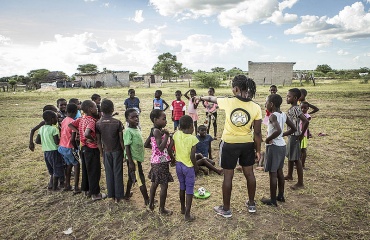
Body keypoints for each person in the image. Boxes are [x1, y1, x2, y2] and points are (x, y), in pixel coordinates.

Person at [197, 75, 262, 217]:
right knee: (249, 174)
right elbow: (257, 132)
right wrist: (258, 151)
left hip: (229, 144)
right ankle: (251, 204)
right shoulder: (256, 107)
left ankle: (226, 209)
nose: (232, 90)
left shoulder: (228, 101)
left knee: (228, 176)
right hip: (247, 144)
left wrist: (201, 97)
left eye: (233, 87)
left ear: (236, 89)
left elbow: (212, 99)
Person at [261, 94, 296, 206]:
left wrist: (268, 139)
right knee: (279, 171)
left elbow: (278, 130)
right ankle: (280, 195)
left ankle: (272, 200)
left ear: (271, 104)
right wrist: (281, 136)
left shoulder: (272, 116)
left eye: (266, 102)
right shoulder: (283, 115)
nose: (265, 104)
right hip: (282, 146)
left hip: (274, 147)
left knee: (273, 173)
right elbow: (293, 128)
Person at [69, 100, 106, 200]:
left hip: (83, 148)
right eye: (95, 107)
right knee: (94, 171)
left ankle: (86, 190)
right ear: (90, 109)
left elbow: (70, 125)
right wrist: (92, 139)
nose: (97, 108)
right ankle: (95, 194)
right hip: (91, 149)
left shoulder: (82, 118)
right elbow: (87, 133)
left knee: (85, 170)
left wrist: (78, 133)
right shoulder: (91, 121)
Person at [96, 99, 125, 203]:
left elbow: (98, 141)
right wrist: (124, 152)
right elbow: (121, 140)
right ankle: (119, 196)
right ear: (113, 109)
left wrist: (101, 154)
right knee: (118, 172)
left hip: (106, 151)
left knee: (109, 173)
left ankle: (111, 195)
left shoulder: (98, 123)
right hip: (117, 151)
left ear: (101, 110)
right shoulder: (117, 123)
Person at [147, 109, 175, 215]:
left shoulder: (154, 130)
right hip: (161, 163)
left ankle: (150, 204)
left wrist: (154, 147)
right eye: (163, 119)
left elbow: (146, 144)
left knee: (154, 183)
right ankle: (162, 209)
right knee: (164, 185)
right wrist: (167, 135)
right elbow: (160, 147)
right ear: (155, 120)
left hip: (155, 162)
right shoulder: (157, 131)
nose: (166, 121)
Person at [173, 115, 199, 221]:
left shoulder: (176, 134)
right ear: (191, 126)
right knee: (189, 190)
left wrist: (172, 158)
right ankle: (187, 215)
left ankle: (182, 209)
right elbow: (192, 156)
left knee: (181, 187)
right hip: (188, 167)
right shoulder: (193, 139)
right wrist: (196, 167)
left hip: (178, 165)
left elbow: (172, 148)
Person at [123, 108, 149, 205]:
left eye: (137, 116)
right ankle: (147, 200)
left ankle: (126, 194)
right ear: (127, 119)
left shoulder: (136, 128)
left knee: (131, 177)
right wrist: (130, 162)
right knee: (140, 178)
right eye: (132, 117)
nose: (136, 119)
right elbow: (127, 147)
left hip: (137, 158)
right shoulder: (128, 131)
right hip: (133, 159)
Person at [284, 88, 309, 190]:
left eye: (288, 96)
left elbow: (306, 121)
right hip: (292, 135)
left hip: (295, 135)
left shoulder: (295, 108)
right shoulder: (293, 108)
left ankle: (300, 183)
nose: (287, 98)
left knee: (296, 159)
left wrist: (302, 134)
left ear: (294, 98)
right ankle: (290, 175)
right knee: (291, 156)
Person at [36, 110, 64, 191]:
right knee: (57, 168)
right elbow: (56, 142)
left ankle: (52, 186)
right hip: (54, 152)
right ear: (52, 119)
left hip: (46, 152)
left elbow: (37, 141)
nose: (57, 120)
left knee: (51, 169)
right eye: (56, 118)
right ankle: (55, 187)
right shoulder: (53, 129)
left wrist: (46, 141)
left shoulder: (41, 128)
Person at [57, 103, 81, 193]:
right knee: (77, 164)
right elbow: (72, 139)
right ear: (75, 112)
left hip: (62, 146)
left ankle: (67, 185)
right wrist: (75, 148)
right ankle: (76, 187)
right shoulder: (72, 122)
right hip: (69, 147)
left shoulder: (64, 120)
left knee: (69, 165)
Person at [300, 101, 311, 169]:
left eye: (305, 108)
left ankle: (302, 165)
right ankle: (299, 163)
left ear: (308, 108)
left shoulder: (307, 116)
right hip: (299, 134)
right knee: (299, 150)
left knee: (303, 150)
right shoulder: (299, 115)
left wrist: (307, 133)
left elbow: (306, 126)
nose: (302, 109)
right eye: (301, 108)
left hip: (303, 135)